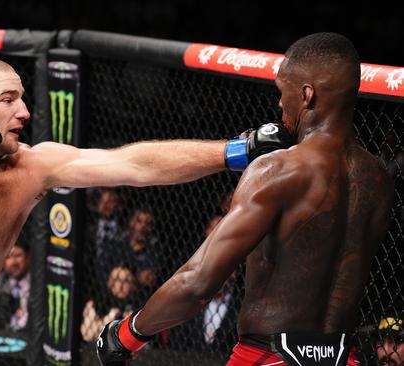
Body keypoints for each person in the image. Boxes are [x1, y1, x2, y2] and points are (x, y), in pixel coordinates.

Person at [0, 56, 291, 365]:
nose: (25, 112)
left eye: (23, 99)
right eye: (9, 100)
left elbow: (132, 164)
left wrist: (238, 150)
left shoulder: (30, 167)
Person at [96, 32, 395, 366]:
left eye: (283, 92)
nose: (280, 104)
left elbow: (198, 282)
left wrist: (126, 335)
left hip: (267, 356)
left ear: (307, 95)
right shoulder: (378, 179)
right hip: (344, 357)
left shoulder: (277, 169)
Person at [0, 240, 31, 332]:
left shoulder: (36, 284)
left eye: (18, 256)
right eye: (8, 257)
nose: (13, 262)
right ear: (3, 262)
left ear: (28, 257)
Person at [82, 266, 138, 342]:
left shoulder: (136, 306)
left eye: (125, 281)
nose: (120, 286)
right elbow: (87, 335)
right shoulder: (98, 303)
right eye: (117, 280)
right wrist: (109, 318)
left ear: (132, 285)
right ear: (111, 283)